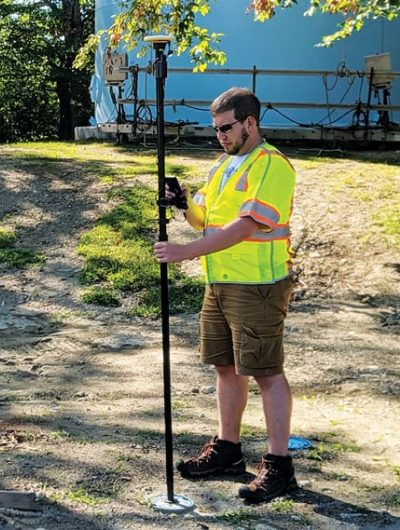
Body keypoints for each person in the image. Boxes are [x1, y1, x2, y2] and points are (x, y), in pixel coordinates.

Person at [153, 87, 297, 504]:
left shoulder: (271, 165)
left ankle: (279, 466)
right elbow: (206, 217)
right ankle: (228, 450)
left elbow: (246, 226)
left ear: (250, 123)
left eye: (226, 127)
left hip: (258, 284)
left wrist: (183, 253)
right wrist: (182, 205)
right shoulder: (223, 165)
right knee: (226, 367)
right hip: (220, 282)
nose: (220, 135)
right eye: (215, 129)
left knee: (266, 373)